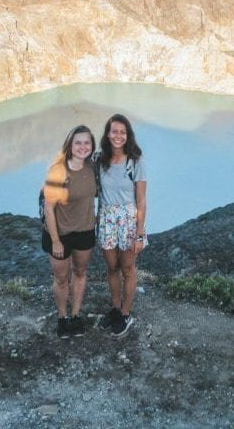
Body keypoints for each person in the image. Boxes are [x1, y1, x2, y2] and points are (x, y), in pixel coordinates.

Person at [42, 125, 97, 339]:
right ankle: (62, 317)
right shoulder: (58, 170)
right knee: (62, 277)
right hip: (60, 234)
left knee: (80, 273)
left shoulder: (93, 167)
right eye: (78, 143)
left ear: (91, 146)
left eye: (87, 143)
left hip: (85, 231)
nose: (82, 147)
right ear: (70, 145)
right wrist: (56, 241)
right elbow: (49, 207)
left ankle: (75, 315)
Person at [96, 113, 147, 337]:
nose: (118, 135)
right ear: (108, 134)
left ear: (128, 136)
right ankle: (115, 309)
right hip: (106, 218)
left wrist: (139, 233)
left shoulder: (135, 162)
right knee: (112, 267)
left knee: (127, 268)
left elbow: (142, 200)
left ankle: (126, 313)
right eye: (114, 131)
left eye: (122, 132)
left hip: (128, 219)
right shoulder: (99, 160)